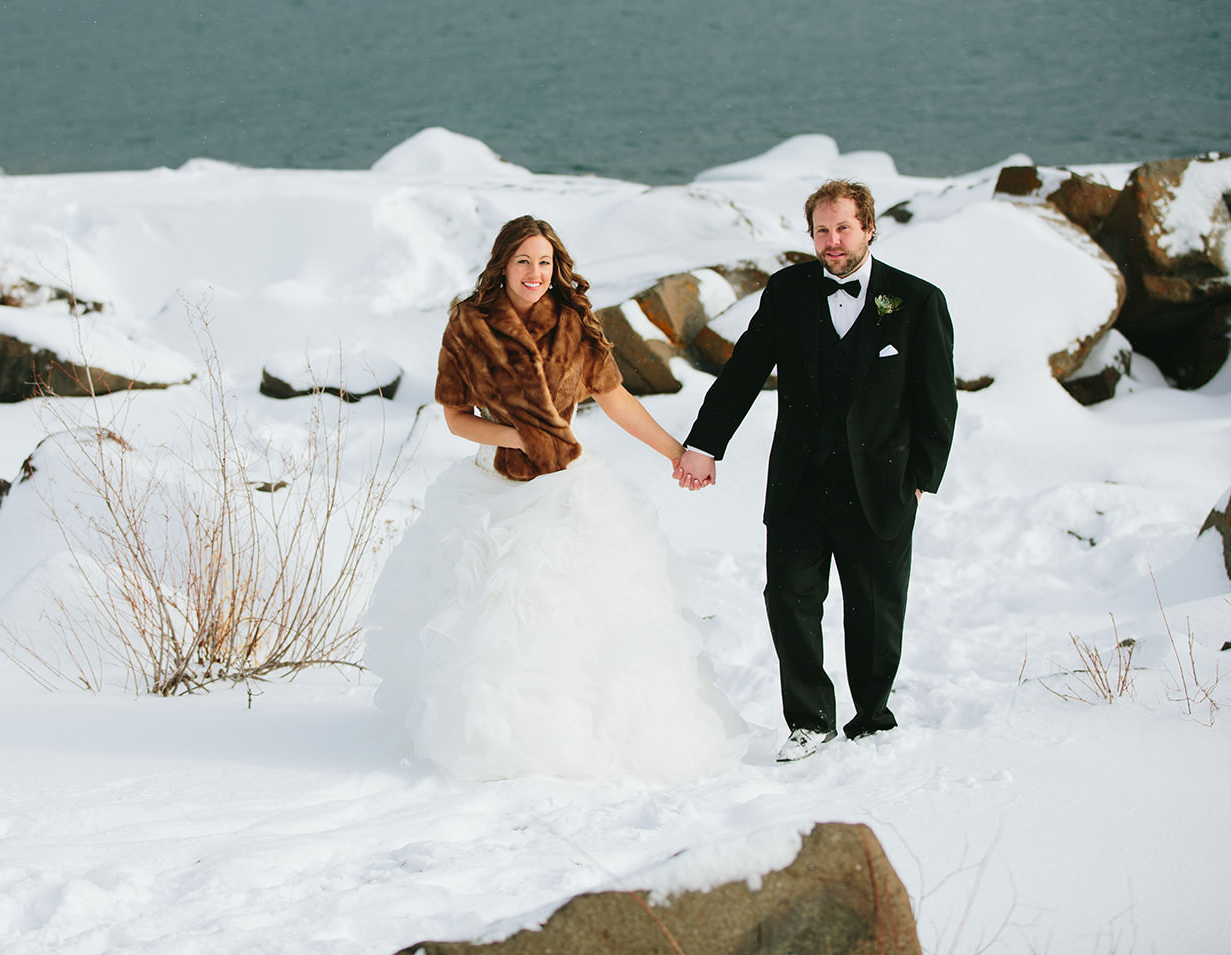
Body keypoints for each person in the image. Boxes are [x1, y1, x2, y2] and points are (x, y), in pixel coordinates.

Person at [362, 215, 744, 782]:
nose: (535, 273)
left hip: (566, 487)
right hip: (491, 492)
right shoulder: (468, 324)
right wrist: (518, 435)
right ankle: (494, 742)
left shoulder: (575, 325)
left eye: (544, 263)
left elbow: (617, 401)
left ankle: (577, 734)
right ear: (502, 265)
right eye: (523, 261)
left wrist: (676, 451)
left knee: (577, 619)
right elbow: (455, 418)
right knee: (490, 627)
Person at [674, 179, 956, 762]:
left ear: (869, 228)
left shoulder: (917, 301)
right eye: (822, 230)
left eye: (843, 227)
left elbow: (937, 399)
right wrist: (704, 445)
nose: (832, 241)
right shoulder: (789, 292)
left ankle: (873, 716)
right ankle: (810, 720)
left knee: (874, 607)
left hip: (881, 484)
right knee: (788, 597)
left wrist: (922, 478)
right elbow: (744, 372)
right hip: (800, 481)